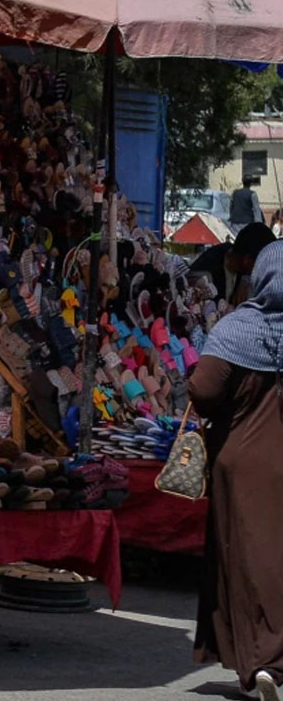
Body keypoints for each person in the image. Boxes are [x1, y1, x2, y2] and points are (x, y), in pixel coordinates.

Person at [189, 239, 283, 701]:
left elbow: (204, 391)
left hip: (242, 465)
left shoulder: (237, 327)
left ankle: (263, 661)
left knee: (248, 560)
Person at [189, 221, 276, 307]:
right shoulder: (206, 271)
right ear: (247, 260)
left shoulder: (242, 271)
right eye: (262, 263)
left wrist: (245, 279)